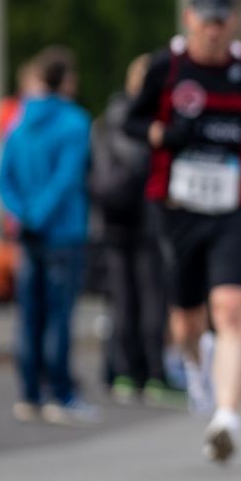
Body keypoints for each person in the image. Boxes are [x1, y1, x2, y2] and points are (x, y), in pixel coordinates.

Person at [124, 0, 241, 462]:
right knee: (186, 320)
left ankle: (226, 416)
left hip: (232, 208)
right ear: (189, 20)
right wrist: (160, 133)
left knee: (232, 310)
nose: (213, 32)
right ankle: (196, 366)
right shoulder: (169, 67)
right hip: (179, 211)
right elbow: (130, 120)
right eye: (205, 22)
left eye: (221, 22)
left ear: (231, 24)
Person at [0, 46, 98, 423]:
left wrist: (22, 214)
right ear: (67, 81)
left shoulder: (18, 121)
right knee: (58, 316)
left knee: (29, 315)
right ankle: (61, 394)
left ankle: (30, 394)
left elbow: (1, 178)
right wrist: (40, 214)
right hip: (63, 232)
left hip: (27, 233)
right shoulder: (75, 122)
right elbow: (67, 179)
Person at [89, 54, 172, 403]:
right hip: (141, 218)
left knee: (121, 299)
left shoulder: (104, 119)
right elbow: (140, 160)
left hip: (112, 218)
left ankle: (122, 372)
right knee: (149, 298)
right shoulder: (139, 117)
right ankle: (151, 373)